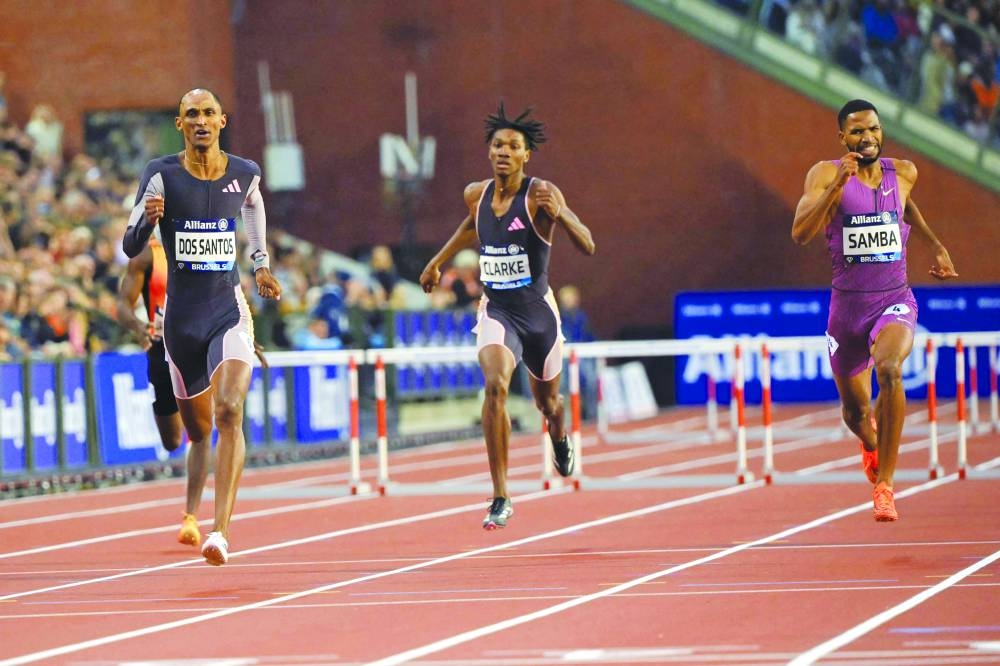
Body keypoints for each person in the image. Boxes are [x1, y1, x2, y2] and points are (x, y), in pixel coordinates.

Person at [122, 88, 282, 565]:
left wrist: (260, 263)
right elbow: (131, 246)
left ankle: (221, 532)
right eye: (191, 114)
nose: (200, 121)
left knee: (231, 410)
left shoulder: (244, 172)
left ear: (221, 121)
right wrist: (145, 224)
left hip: (226, 311)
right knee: (196, 432)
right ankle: (192, 510)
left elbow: (254, 206)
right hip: (181, 324)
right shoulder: (160, 174)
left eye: (208, 113)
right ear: (180, 124)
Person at [419, 103, 596, 530]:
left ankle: (558, 435)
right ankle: (500, 495)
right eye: (497, 144)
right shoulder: (475, 193)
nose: (503, 151)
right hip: (497, 310)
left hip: (538, 314)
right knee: (495, 385)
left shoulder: (540, 194)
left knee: (546, 403)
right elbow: (470, 226)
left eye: (513, 146)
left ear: (525, 155)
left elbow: (587, 244)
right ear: (489, 151)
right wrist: (437, 261)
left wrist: (564, 214)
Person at [791, 98, 958, 522]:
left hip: (893, 299)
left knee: (890, 369)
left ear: (882, 131)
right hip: (846, 311)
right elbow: (800, 233)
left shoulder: (903, 172)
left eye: (874, 130)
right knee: (856, 412)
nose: (868, 138)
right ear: (842, 137)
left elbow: (906, 205)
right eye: (858, 132)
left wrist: (935, 243)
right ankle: (870, 443)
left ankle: (885, 485)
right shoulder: (826, 173)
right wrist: (834, 189)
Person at [116, 231, 203, 547]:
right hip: (160, 347)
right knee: (171, 440)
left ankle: (190, 516)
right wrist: (139, 327)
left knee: (200, 432)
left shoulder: (203, 242)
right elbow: (122, 305)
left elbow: (229, 293)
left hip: (199, 346)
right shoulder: (147, 256)